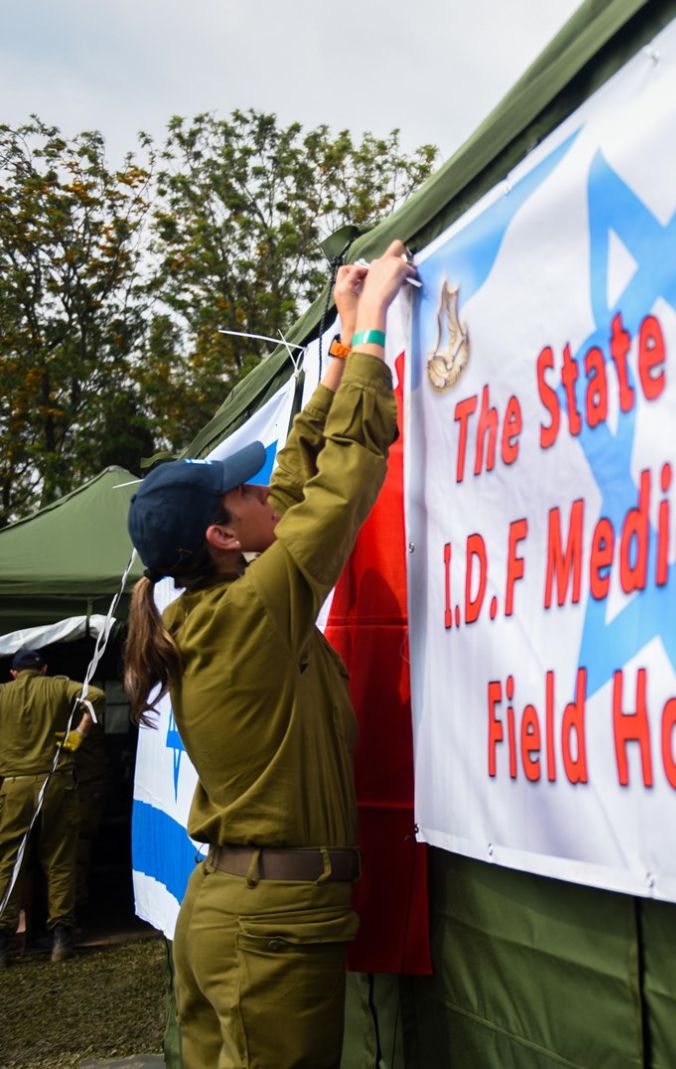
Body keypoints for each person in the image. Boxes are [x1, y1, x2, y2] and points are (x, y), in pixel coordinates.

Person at [124, 240, 415, 1067]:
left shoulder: (215, 604)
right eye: (241, 491)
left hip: (232, 912)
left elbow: (290, 485)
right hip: (270, 926)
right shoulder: (252, 609)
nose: (262, 491)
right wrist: (374, 327)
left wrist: (339, 346)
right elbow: (343, 481)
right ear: (222, 537)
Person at [0, 647, 101, 966]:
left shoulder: (3, 693)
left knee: (9, 861)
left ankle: (1, 941)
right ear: (43, 669)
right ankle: (61, 938)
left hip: (14, 785)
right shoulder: (59, 686)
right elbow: (96, 696)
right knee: (59, 859)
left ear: (13, 673)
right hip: (57, 781)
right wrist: (75, 737)